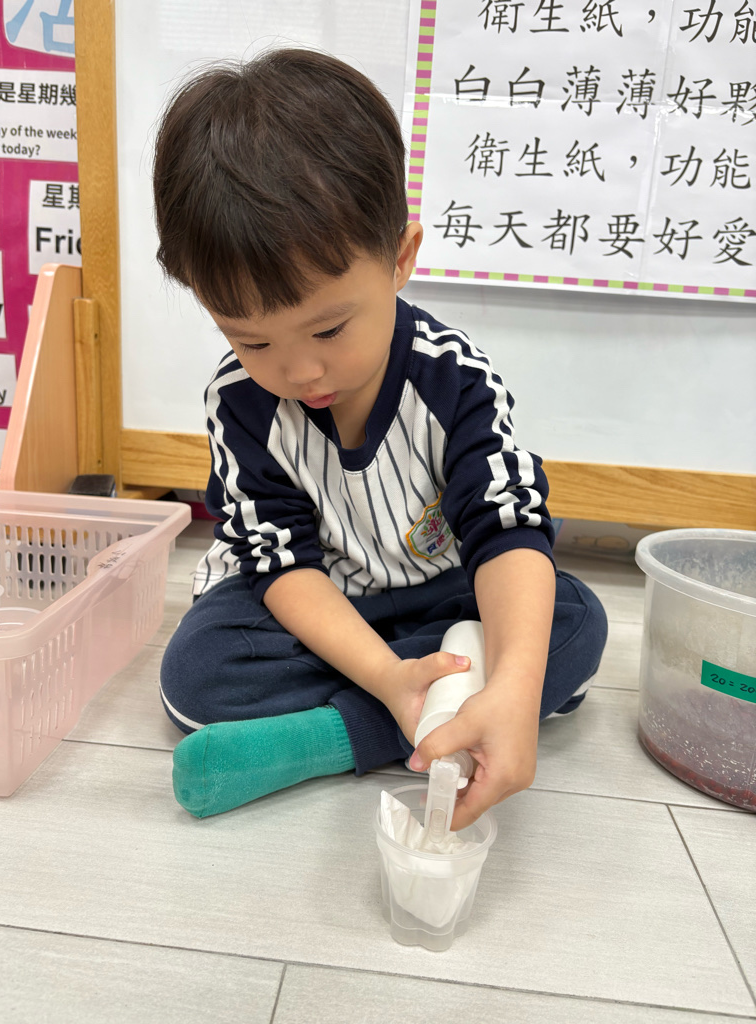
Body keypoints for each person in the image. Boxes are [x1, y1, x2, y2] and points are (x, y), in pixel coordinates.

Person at [154, 48, 608, 828]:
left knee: (572, 623)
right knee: (195, 675)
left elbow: (506, 530)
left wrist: (511, 678)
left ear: (400, 258)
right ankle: (429, 705)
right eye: (250, 340)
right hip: (317, 604)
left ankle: (332, 739)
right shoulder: (239, 404)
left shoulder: (453, 379)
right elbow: (281, 565)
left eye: (329, 329)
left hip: (437, 589)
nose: (299, 370)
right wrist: (390, 676)